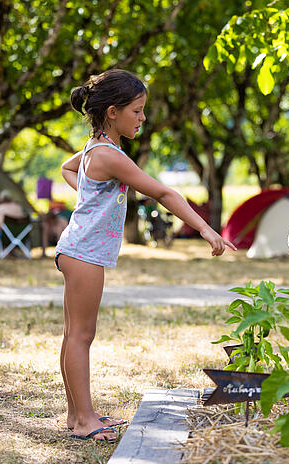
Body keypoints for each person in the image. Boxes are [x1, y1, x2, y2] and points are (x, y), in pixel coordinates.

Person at [55, 69, 236, 443]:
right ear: (112, 112)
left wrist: (90, 199)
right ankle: (86, 420)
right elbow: (164, 194)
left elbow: (67, 169)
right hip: (84, 252)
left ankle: (76, 415)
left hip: (76, 249)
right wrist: (204, 228)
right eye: (136, 111)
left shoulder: (95, 147)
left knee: (74, 333)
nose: (142, 118)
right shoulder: (109, 155)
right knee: (81, 336)